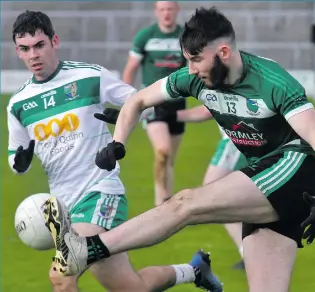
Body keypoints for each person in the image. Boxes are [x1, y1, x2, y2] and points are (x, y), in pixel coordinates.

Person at [43, 7, 315, 292]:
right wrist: (118, 141)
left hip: (295, 171)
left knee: (186, 204)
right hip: (266, 182)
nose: (190, 69)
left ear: (223, 53)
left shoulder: (272, 81)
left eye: (196, 60)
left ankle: (85, 249)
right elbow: (138, 101)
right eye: (187, 60)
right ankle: (85, 249)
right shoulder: (195, 78)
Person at [7, 10, 223, 292]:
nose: (33, 55)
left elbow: (140, 103)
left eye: (39, 45)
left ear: (54, 41)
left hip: (99, 191)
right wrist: (20, 161)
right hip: (62, 209)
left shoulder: (89, 76)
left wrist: (122, 118)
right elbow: (14, 159)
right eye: (25, 49)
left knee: (62, 276)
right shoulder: (18, 104)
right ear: (18, 51)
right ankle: (194, 270)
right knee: (132, 287)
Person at [96, 105, 247, 270]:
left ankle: (248, 251)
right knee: (230, 198)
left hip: (235, 140)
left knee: (215, 197)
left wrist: (133, 115)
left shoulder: (218, 84)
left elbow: (205, 111)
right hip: (245, 138)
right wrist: (130, 115)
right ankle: (250, 249)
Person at [122, 1, 187, 206]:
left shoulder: (185, 37)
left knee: (169, 160)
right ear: (156, 12)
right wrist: (128, 99)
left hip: (177, 104)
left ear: (176, 10)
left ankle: (166, 203)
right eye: (162, 9)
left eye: (170, 9)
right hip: (153, 103)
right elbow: (131, 68)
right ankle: (161, 203)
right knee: (162, 151)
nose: (166, 13)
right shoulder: (146, 36)